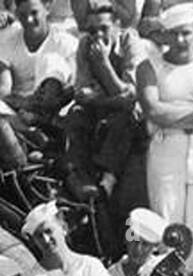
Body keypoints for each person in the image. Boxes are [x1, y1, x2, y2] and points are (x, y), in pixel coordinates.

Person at [137, 2, 193, 257]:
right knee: (167, 228)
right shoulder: (149, 68)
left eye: (186, 32)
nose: (180, 39)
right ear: (164, 35)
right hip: (166, 151)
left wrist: (171, 111)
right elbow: (153, 112)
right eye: (174, 33)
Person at [63, 2, 144, 205]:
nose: (98, 35)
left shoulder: (130, 42)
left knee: (125, 116)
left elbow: (131, 95)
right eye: (92, 30)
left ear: (117, 25)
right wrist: (111, 98)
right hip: (100, 108)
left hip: (127, 113)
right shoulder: (85, 44)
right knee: (76, 113)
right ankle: (77, 174)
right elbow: (81, 92)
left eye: (104, 28)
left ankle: (108, 178)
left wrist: (103, 64)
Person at [107, 207, 168, 276]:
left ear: (154, 247)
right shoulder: (110, 274)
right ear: (126, 239)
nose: (138, 249)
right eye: (134, 241)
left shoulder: (161, 272)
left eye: (145, 244)